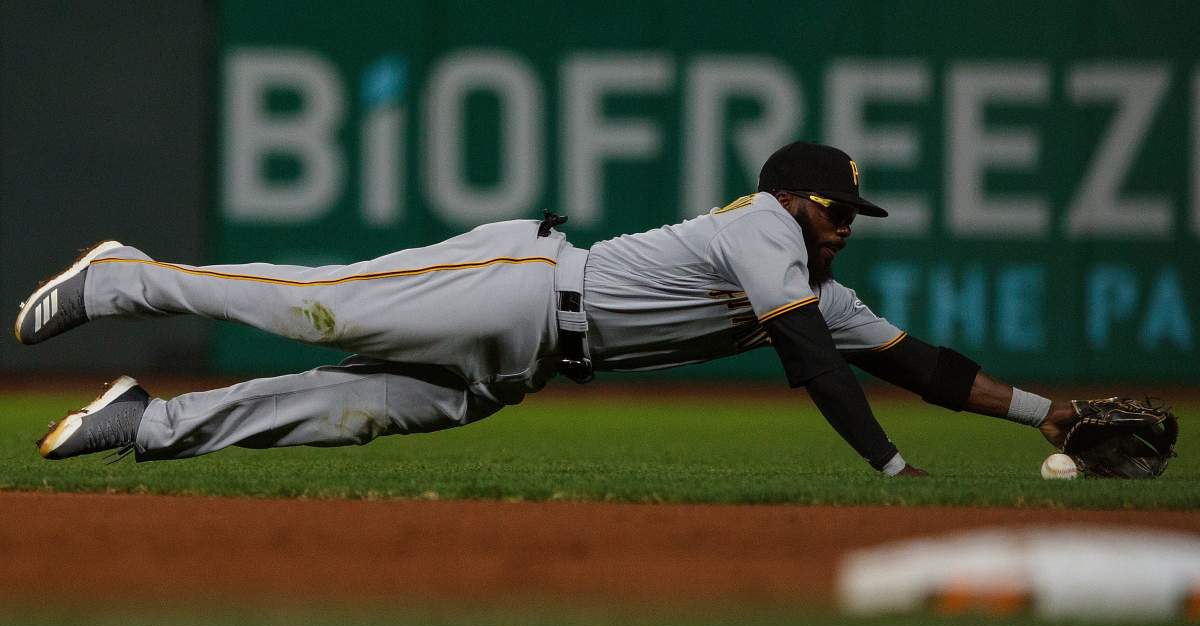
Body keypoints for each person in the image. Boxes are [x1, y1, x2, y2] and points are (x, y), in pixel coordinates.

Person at [15, 141, 1078, 475]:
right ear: (794, 199)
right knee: (315, 309)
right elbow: (810, 360)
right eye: (834, 209)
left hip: (524, 365)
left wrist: (1049, 416)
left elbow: (922, 365)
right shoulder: (764, 225)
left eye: (852, 215)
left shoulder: (814, 283)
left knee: (333, 411)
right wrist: (886, 466)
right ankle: (120, 276)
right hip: (515, 286)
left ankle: (145, 421)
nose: (843, 225)